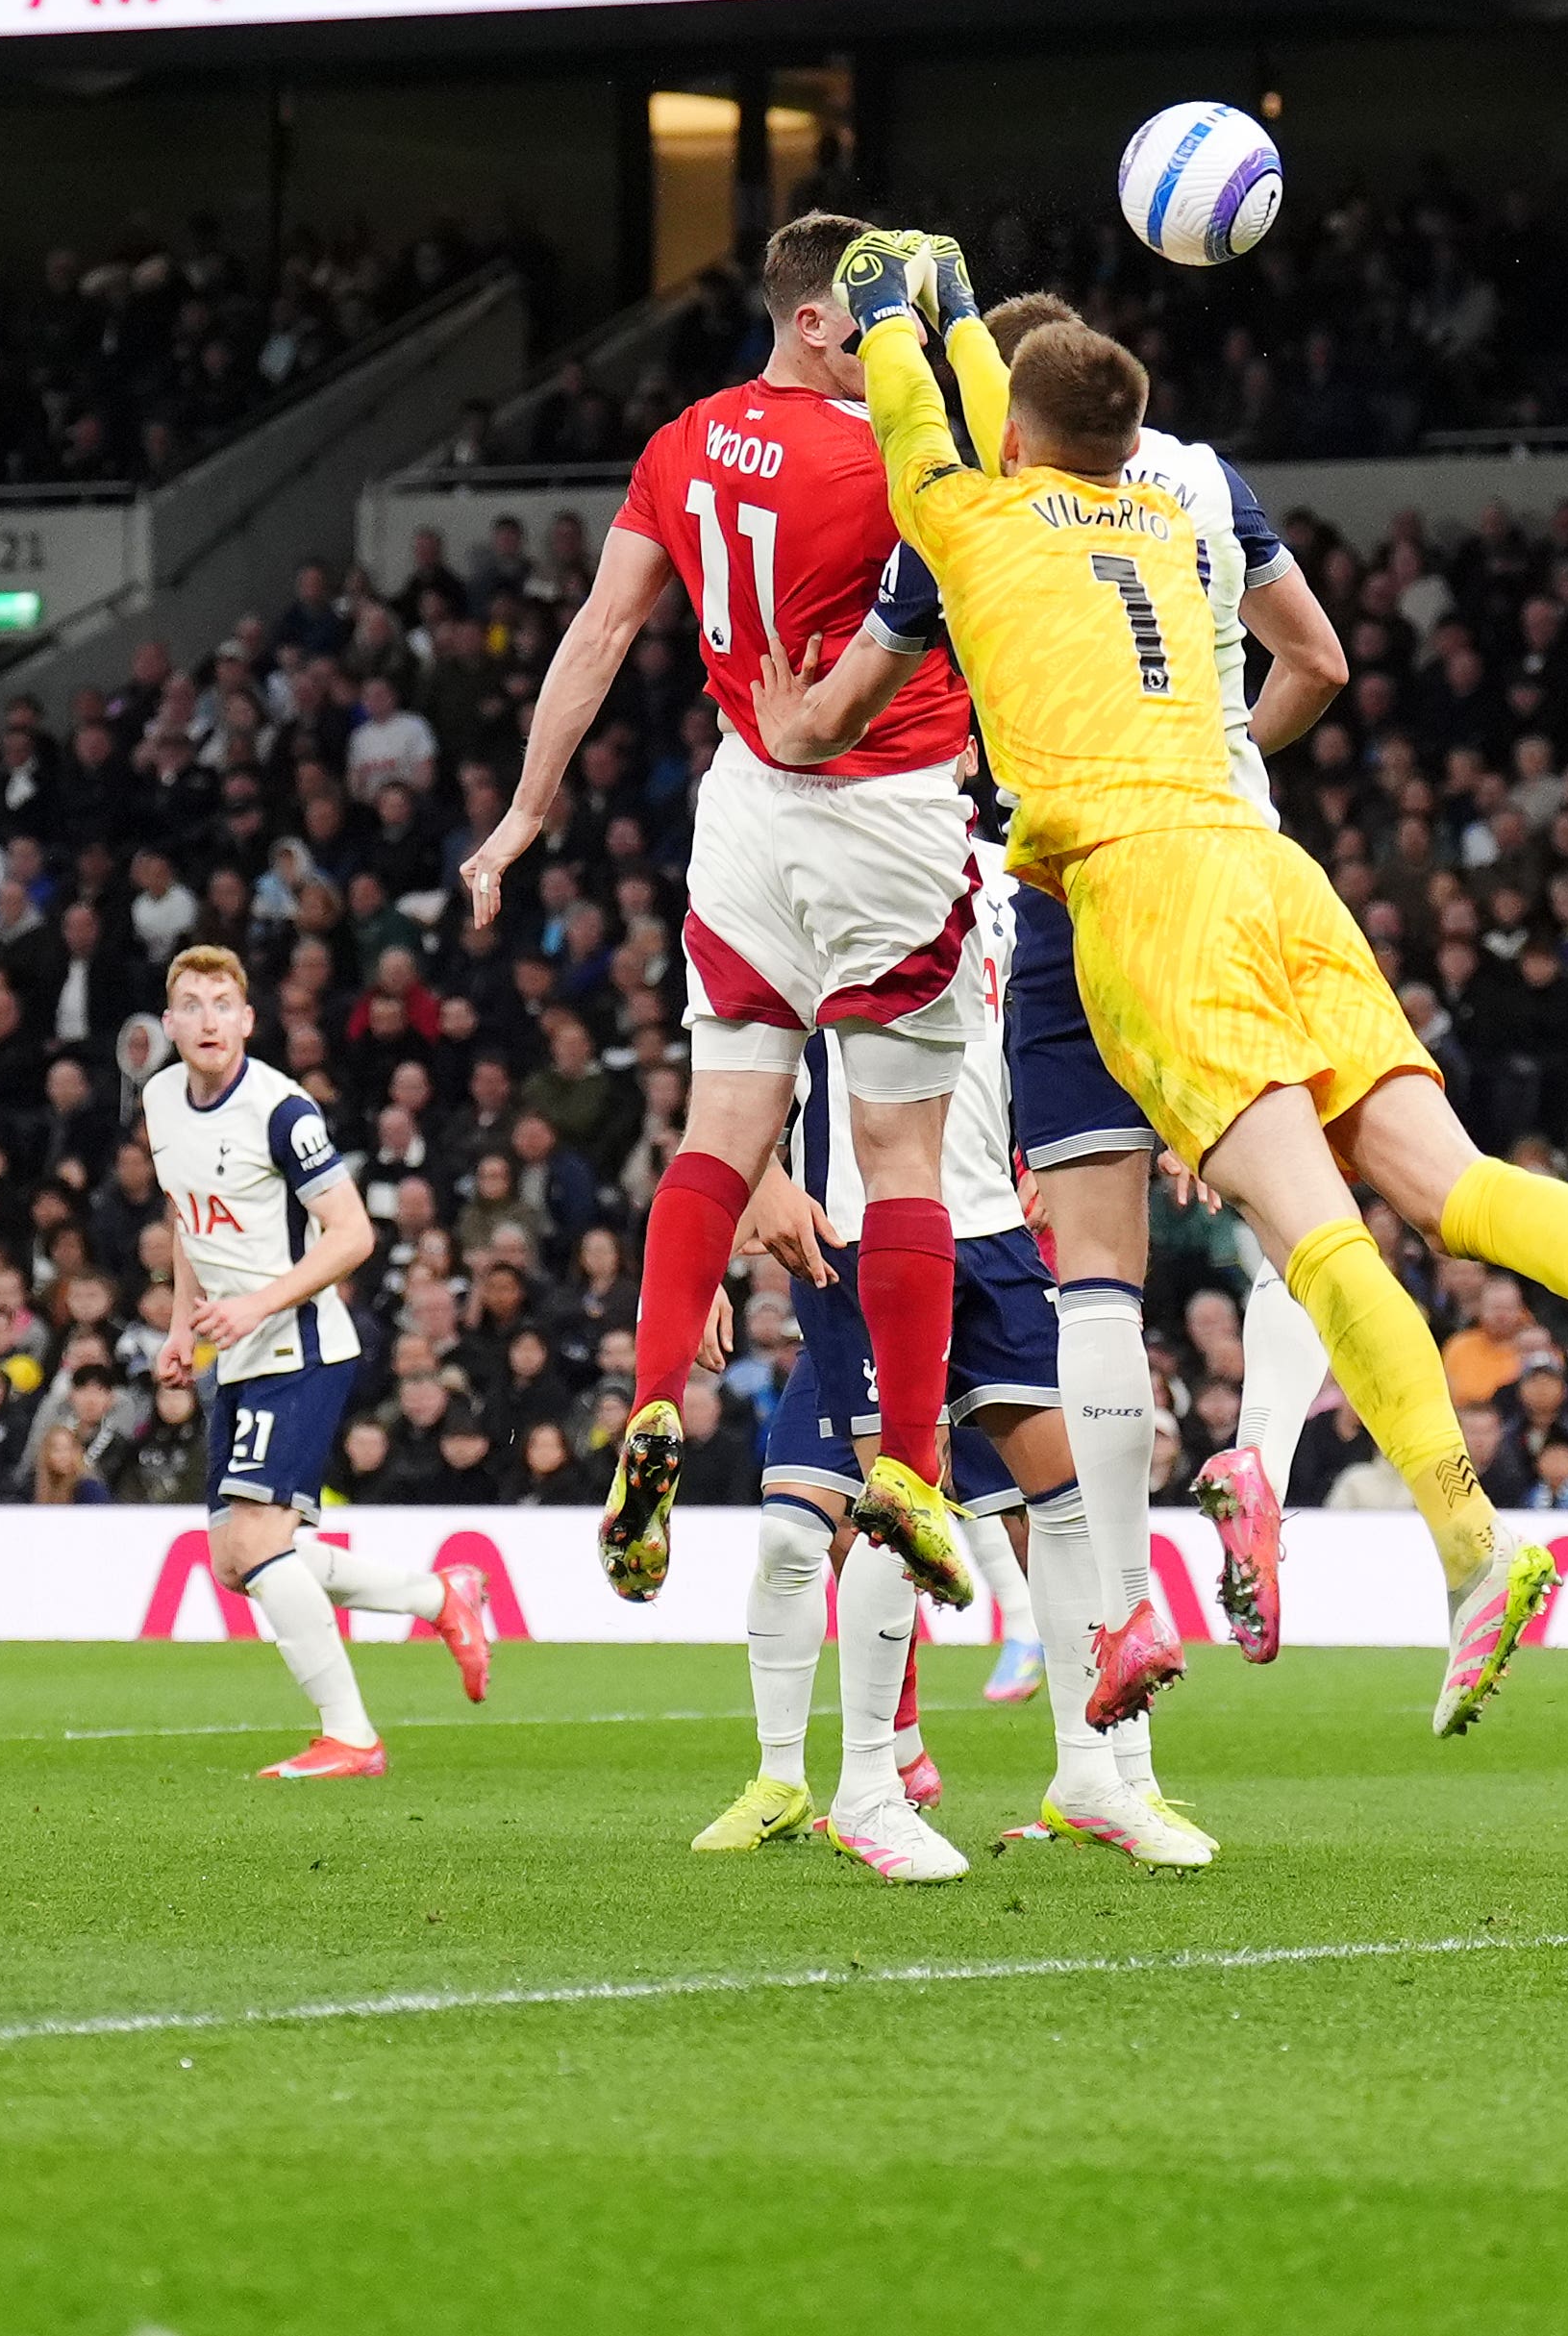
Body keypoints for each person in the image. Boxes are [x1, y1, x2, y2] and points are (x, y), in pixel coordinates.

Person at [751, 228, 1568, 1736]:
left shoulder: (976, 526)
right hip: (1267, 859)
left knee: (1308, 1235)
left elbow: (929, 425)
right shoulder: (1161, 504)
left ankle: (1473, 1544)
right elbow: (1284, 638)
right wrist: (962, 304)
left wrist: (890, 307)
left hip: (1136, 891)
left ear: (1017, 430)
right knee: (1447, 1182)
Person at [459, 210, 983, 1623]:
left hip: (741, 808)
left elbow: (602, 631)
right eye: (881, 322)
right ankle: (918, 1473)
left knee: (718, 1133)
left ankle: (648, 1405)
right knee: (899, 1147)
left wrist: (524, 812)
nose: (904, 349)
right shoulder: (883, 459)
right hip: (883, 806)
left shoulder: (685, 439)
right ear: (819, 322)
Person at [912, 289, 1347, 1686]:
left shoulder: (992, 513)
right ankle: (1262, 1459)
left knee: (1093, 1268)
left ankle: (1115, 1594)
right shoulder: (1205, 484)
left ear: (1017, 415)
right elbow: (1320, 661)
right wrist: (1229, 761)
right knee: (1301, 1205)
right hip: (1235, 866)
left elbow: (877, 699)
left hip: (1075, 885)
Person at [696, 875, 1201, 1884]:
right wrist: (754, 1181)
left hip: (993, 1224)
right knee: (903, 1497)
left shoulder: (1010, 876)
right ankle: (868, 1790)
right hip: (862, 1224)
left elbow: (1078, 1006)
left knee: (1063, 1497)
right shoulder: (817, 861)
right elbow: (740, 1036)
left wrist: (1155, 1116)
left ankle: (1088, 1773)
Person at [146, 942, 489, 1778]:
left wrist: (254, 1305)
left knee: (261, 1545)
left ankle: (352, 1735)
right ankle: (442, 1597)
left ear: (248, 1020)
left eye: (221, 1003)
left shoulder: (282, 1110)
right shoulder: (158, 1099)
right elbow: (188, 1213)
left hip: (297, 1345)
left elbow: (354, 1233)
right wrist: (177, 1323)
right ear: (169, 1022)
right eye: (189, 1004)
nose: (206, 1019)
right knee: (239, 1562)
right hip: (232, 1350)